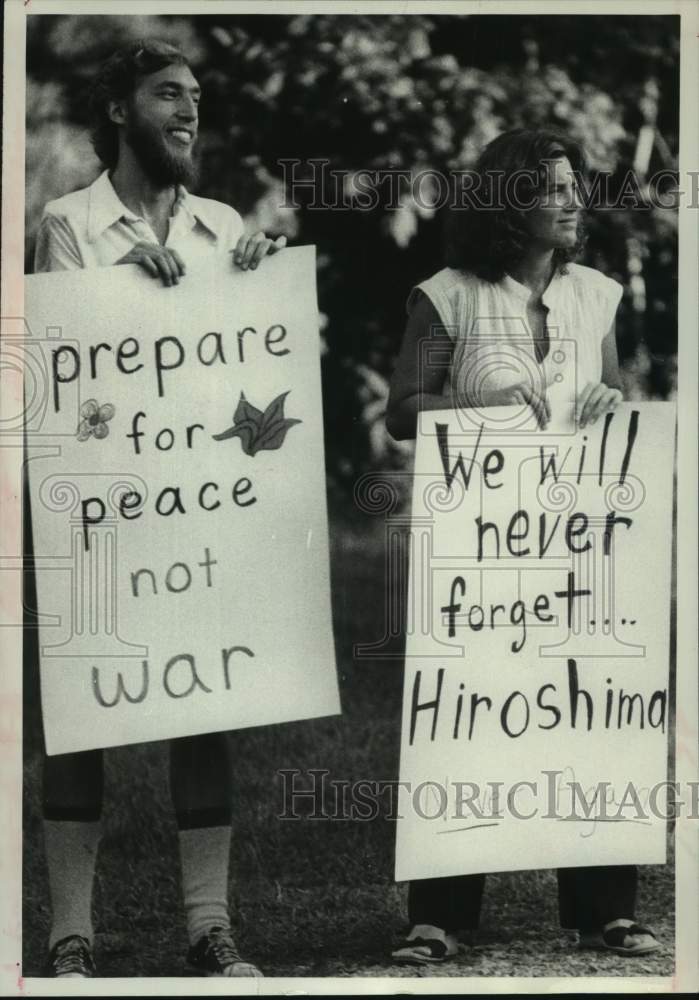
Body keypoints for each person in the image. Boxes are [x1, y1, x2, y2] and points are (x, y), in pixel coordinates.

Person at [30, 38, 287, 978]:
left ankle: (210, 928)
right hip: (99, 508)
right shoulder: (68, 224)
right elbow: (60, 370)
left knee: (203, 705)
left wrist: (257, 282)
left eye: (196, 97)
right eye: (167, 94)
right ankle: (71, 936)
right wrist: (118, 298)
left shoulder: (222, 228)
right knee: (82, 711)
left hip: (199, 506)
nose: (188, 111)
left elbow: (251, 384)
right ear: (118, 111)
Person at [385, 128, 661, 965]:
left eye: (575, 187)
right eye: (554, 189)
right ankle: (439, 916)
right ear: (511, 203)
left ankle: (604, 909)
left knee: (592, 701)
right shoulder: (448, 296)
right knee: (464, 713)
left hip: (579, 542)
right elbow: (403, 410)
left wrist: (613, 406)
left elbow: (609, 395)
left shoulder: (597, 296)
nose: (576, 201)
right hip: (478, 550)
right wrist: (480, 413)